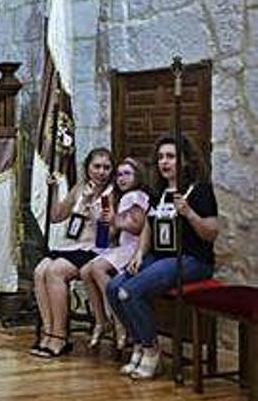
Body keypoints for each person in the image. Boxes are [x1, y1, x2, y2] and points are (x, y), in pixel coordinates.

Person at [106, 135, 219, 380]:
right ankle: (138, 342)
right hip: (159, 257)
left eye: (170, 157)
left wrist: (189, 213)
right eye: (160, 157)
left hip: (192, 259)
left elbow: (211, 233)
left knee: (131, 291)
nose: (164, 162)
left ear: (186, 161)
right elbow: (148, 224)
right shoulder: (159, 191)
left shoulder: (200, 191)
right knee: (114, 287)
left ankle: (151, 349)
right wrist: (139, 253)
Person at [31, 147, 114, 358]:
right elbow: (56, 216)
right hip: (71, 245)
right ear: (87, 168)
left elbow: (106, 237)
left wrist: (93, 212)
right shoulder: (79, 187)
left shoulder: (110, 194)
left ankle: (60, 336)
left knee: (55, 271)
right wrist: (53, 191)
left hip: (94, 248)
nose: (101, 172)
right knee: (40, 270)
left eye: (106, 167)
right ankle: (49, 332)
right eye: (97, 166)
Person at [79, 157, 150, 351]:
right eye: (119, 174)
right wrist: (101, 217)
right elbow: (106, 235)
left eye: (127, 173)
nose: (122, 178)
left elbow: (137, 226)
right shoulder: (122, 197)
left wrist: (114, 219)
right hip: (121, 246)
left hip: (133, 249)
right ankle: (101, 320)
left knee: (97, 268)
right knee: (86, 270)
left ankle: (119, 321)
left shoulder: (136, 195)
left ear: (138, 175)